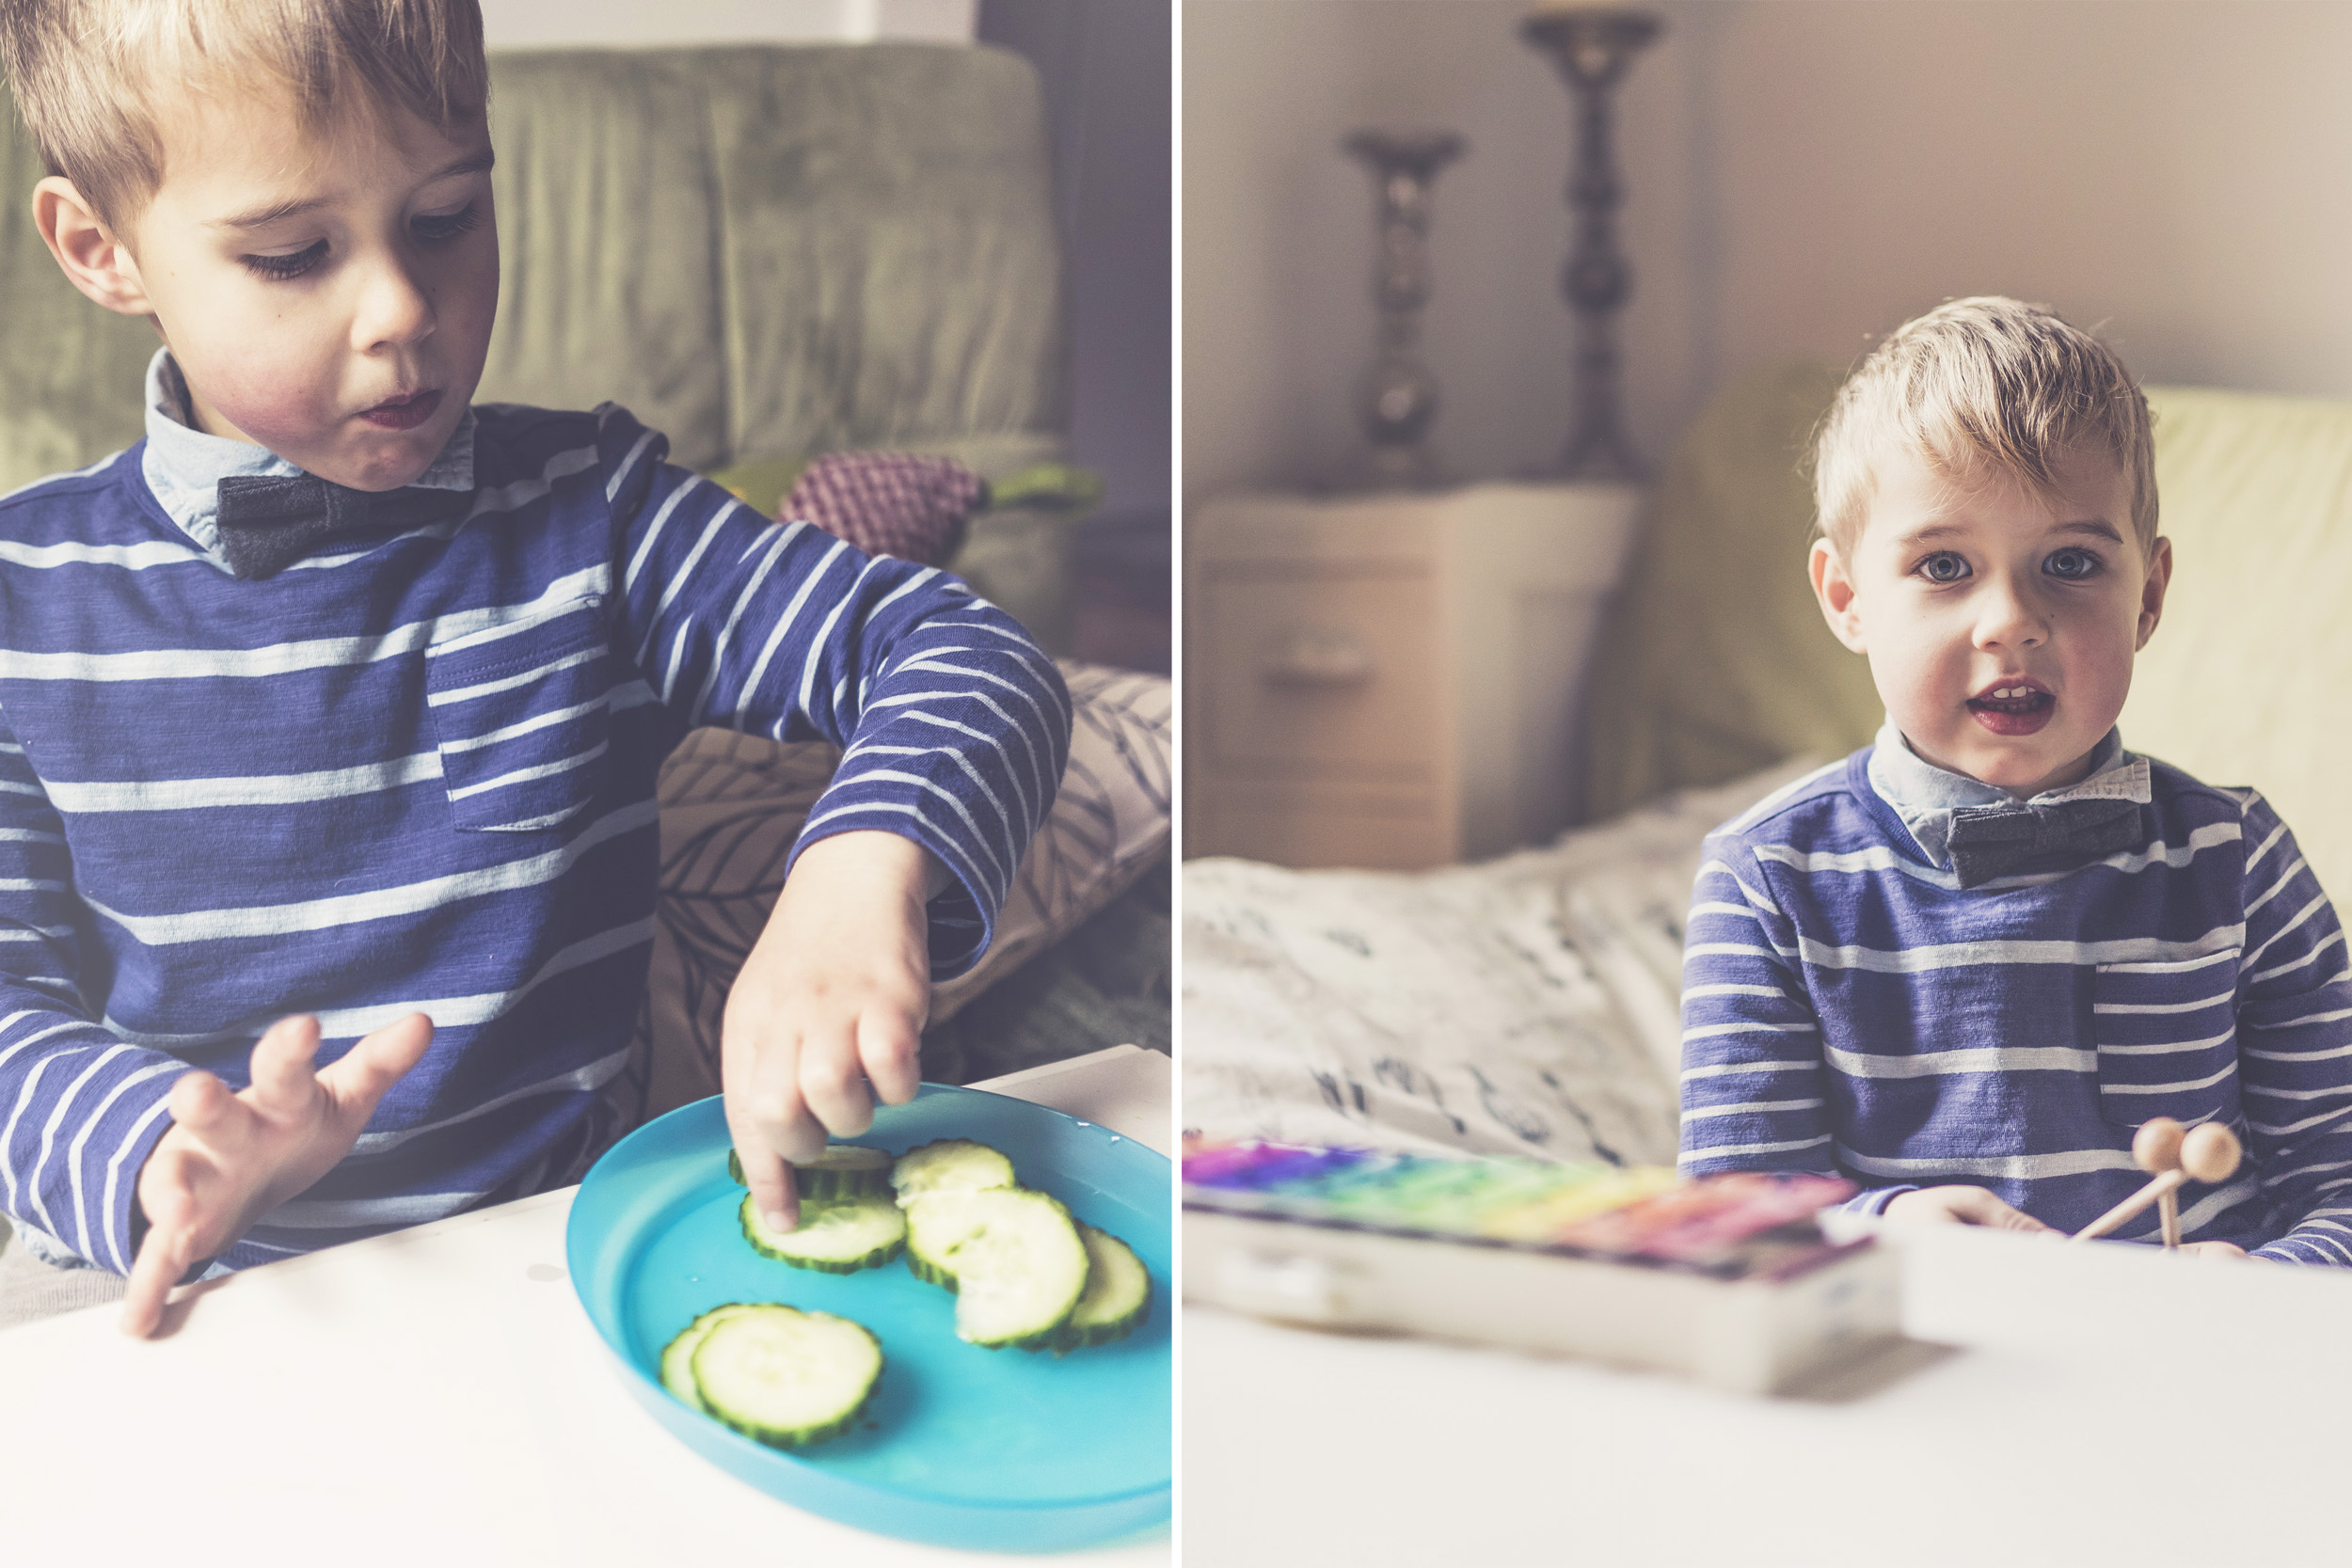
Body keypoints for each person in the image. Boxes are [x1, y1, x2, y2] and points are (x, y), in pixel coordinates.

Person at [0, 0, 1069, 1334]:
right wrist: (156, 1150)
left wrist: (858, 875)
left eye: (447, 215)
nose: (401, 307)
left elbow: (965, 647)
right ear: (102, 250)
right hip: (180, 1285)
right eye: (292, 254)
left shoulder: (597, 513)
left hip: (562, 1261)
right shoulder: (23, 603)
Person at [1677, 295, 2352, 1263]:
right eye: (1944, 563)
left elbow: (2338, 1180)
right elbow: (1734, 1220)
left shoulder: (2238, 860)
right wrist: (1886, 1227)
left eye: (2069, 562)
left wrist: (2266, 1285)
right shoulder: (1766, 877)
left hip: (2196, 1369)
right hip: (1918, 1364)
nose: (2009, 620)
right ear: (1847, 598)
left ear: (2148, 597)